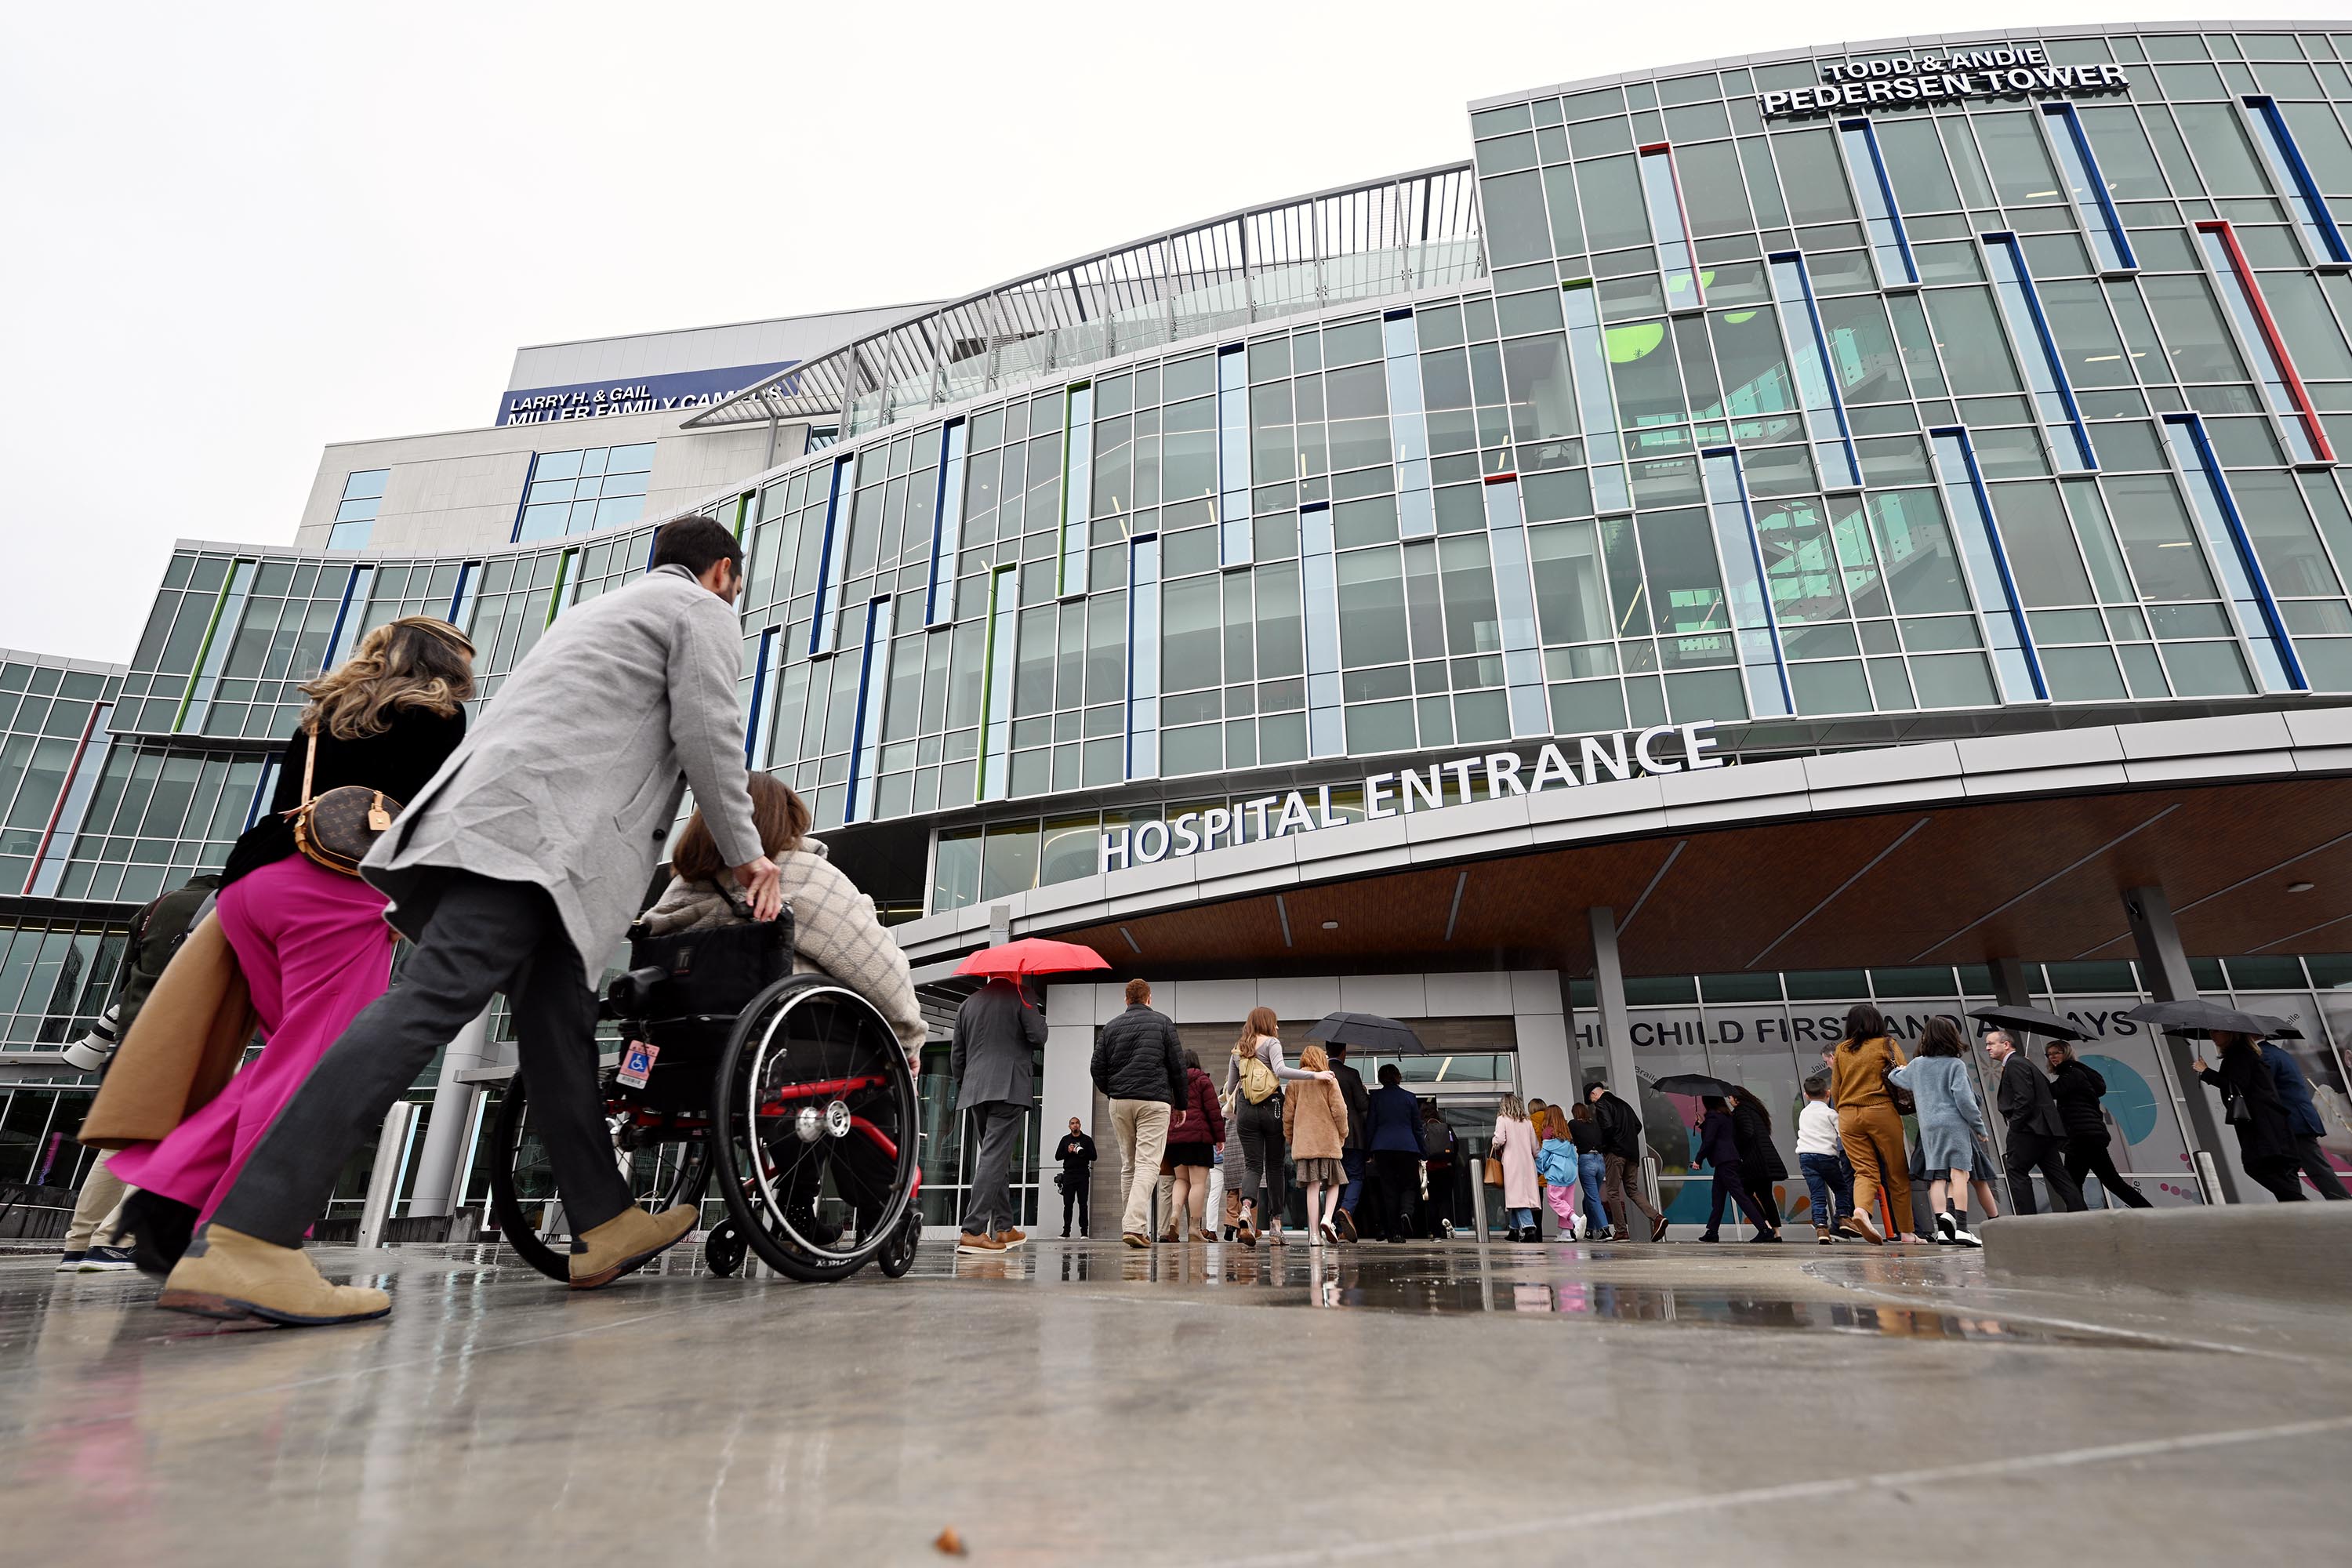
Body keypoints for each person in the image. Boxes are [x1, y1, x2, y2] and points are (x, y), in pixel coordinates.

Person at [160, 517, 778, 1327]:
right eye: (734, 578)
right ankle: (252, 1231)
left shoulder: (595, 612)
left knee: (559, 1024)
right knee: (428, 1000)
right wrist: (747, 852)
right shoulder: (700, 611)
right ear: (723, 570)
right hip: (537, 838)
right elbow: (708, 732)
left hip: (499, 828)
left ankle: (605, 1219)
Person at [117, 617, 474, 1294]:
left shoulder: (325, 714)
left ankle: (180, 1196)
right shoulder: (437, 716)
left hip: (255, 883)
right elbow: (431, 820)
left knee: (296, 1059)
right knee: (326, 1067)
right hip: (333, 892)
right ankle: (233, 1225)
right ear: (445, 663)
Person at [56, 872, 223, 1273]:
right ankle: (116, 1243)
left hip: (136, 1034)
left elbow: (128, 979)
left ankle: (78, 1245)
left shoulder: (151, 909)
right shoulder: (230, 905)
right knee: (174, 1141)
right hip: (192, 1035)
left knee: (120, 1144)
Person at [951, 975, 1047, 1254]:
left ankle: (1004, 1228)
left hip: (975, 1090)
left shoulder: (967, 1004)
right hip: (1008, 1087)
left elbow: (958, 1056)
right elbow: (1039, 1037)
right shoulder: (1023, 994)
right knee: (993, 1158)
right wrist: (1036, 1014)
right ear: (1016, 972)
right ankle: (973, 1230)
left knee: (996, 1158)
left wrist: (966, 1086)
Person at [1223, 1007, 1334, 1245]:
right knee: (1274, 1167)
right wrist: (1316, 1076)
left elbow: (1231, 1087)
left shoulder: (1238, 1049)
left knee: (1253, 1165)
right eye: (1276, 1022)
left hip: (1246, 1111)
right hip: (1271, 1108)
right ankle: (1276, 1226)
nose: (1278, 1027)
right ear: (1267, 1023)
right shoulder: (1272, 1043)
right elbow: (1281, 1070)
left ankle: (1245, 1209)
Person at [1091, 978, 1186, 1247]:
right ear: (1149, 998)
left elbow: (1096, 1067)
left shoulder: (1110, 1028)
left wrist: (1112, 1091)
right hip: (1154, 1101)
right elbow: (1178, 1067)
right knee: (1147, 1164)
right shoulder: (1163, 1023)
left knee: (1129, 1166)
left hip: (1120, 1101)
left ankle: (1135, 1226)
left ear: (1126, 1000)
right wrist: (1181, 1103)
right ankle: (1134, 1225)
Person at [1889, 1017, 1991, 1247]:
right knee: (1960, 1174)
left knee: (1937, 1177)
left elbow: (1895, 1078)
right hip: (1953, 1124)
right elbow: (1965, 1101)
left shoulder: (1918, 1065)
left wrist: (1899, 1070)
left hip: (1928, 1127)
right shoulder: (1955, 1065)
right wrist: (1979, 1127)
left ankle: (1943, 1230)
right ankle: (1962, 1229)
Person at [1829, 1004, 1915, 1244]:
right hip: (1880, 1110)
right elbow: (1904, 1075)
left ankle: (1861, 1211)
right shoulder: (1886, 1044)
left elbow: (1836, 1088)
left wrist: (1845, 1109)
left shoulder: (1842, 1049)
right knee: (1896, 1171)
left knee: (1864, 1171)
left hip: (1847, 1115)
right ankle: (1907, 1232)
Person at [1984, 1028, 2088, 1215]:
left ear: (2006, 1045)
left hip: (2029, 1129)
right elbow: (2044, 1090)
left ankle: (2027, 1221)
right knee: (2059, 1176)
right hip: (2043, 1130)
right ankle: (2083, 1215)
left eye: (1991, 1044)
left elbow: (2025, 1099)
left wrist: (2015, 1126)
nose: (1987, 1048)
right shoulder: (2021, 1064)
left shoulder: (2016, 1064)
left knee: (2016, 1171)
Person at [2193, 1033, 2304, 1202]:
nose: (2212, 1035)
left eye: (2216, 1031)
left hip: (2262, 1127)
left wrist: (2206, 1072)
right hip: (2269, 1126)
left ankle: (2304, 1207)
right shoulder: (2243, 1054)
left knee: (2258, 1166)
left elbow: (2237, 1085)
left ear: (2231, 1035)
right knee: (2281, 1174)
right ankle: (2303, 1217)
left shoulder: (2240, 1055)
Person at [2044, 1040, 2152, 1210]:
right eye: (2049, 1054)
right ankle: (2082, 1221)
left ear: (2066, 1053)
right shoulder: (2077, 1073)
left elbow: (2050, 1092)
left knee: (2077, 1184)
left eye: (2056, 1053)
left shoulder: (2072, 1074)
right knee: (2081, 1184)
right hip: (2087, 1137)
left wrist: (2032, 1073)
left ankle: (2082, 1222)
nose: (2052, 1057)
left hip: (2082, 1137)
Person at [2256, 1038, 2350, 1200]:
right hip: (2290, 1126)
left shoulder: (2269, 1056)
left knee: (2307, 1168)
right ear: (2349, 1059)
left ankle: (2313, 1206)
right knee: (2284, 1168)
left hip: (2292, 1125)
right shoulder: (2327, 1097)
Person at [1284, 1043, 1351, 1243]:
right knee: (1334, 1182)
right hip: (1328, 1141)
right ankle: (1327, 1218)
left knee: (1312, 1187)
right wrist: (1343, 1133)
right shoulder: (1329, 1080)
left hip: (1305, 1144)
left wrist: (1291, 1138)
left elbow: (1288, 1115)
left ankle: (1313, 1234)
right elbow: (1340, 1111)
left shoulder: (1294, 1082)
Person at [1586, 1080, 1668, 1241]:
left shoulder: (1602, 1104)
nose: (1593, 1103)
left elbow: (1607, 1127)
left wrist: (1602, 1145)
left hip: (1615, 1153)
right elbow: (1637, 1126)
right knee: (1632, 1189)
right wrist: (1626, 1138)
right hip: (1632, 1153)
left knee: (1612, 1191)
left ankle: (1621, 1231)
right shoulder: (1623, 1104)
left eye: (1591, 1100)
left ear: (1594, 1094)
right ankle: (1657, 1217)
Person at [1161, 1048, 1226, 1242]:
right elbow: (1214, 1112)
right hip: (1198, 1139)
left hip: (1176, 1140)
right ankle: (1194, 1228)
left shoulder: (1172, 1083)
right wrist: (1220, 1138)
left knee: (1181, 1181)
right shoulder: (1203, 1081)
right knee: (1198, 1183)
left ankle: (1174, 1215)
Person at [1694, 1095, 1780, 1243]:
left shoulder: (1713, 1116)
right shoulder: (1726, 1116)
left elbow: (1710, 1140)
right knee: (1718, 1197)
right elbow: (1721, 1135)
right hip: (1728, 1160)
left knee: (1740, 1196)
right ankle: (1712, 1231)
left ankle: (1764, 1229)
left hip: (1724, 1162)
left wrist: (1698, 1159)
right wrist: (1703, 1125)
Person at [1364, 1062, 1425, 1243]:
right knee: (1408, 1185)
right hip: (1408, 1147)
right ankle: (1406, 1212)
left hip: (1383, 1148)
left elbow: (1371, 1125)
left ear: (1381, 1078)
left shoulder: (1376, 1098)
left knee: (1389, 1189)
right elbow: (1418, 1127)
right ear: (1398, 1076)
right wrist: (1423, 1151)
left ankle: (1395, 1232)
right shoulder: (1410, 1097)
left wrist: (1368, 1150)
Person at [1795, 1074, 1856, 1243]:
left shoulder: (1803, 1113)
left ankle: (1821, 1228)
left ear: (1806, 1095)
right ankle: (1843, 1217)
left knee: (1817, 1194)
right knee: (1841, 1188)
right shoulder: (1831, 1113)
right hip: (1826, 1157)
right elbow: (1843, 1134)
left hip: (1806, 1156)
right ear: (1828, 1093)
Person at [1726, 1085, 1788, 1236]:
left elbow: (1747, 1132)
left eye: (1730, 1098)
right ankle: (1776, 1232)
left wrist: (1735, 1144)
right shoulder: (1756, 1110)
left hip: (1754, 1161)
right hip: (1766, 1160)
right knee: (1766, 1196)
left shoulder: (1741, 1112)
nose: (1729, 1101)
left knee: (1743, 1192)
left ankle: (1765, 1225)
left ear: (1736, 1097)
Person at [1327, 1042, 1373, 1241]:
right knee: (1355, 1176)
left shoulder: (1320, 1073)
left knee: (1335, 1181)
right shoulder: (1351, 1073)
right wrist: (1363, 1091)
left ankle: (1335, 1226)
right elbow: (1363, 1105)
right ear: (1344, 1052)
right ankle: (1346, 1210)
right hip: (1352, 1135)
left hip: (1328, 1136)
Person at [1488, 1093, 1543, 1242]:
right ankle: (1514, 1230)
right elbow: (1535, 1147)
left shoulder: (1502, 1119)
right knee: (1519, 1196)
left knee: (1517, 1197)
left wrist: (1494, 1141)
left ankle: (1529, 1227)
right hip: (1528, 1162)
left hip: (1512, 1162)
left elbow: (1499, 1140)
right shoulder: (1527, 1122)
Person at [1535, 1111, 1586, 1240]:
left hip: (1557, 1172)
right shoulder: (1567, 1135)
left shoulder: (1548, 1133)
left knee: (1554, 1199)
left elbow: (1543, 1157)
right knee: (1567, 1202)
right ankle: (1566, 1233)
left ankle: (1576, 1220)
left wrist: (1537, 1169)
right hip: (1570, 1172)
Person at [1568, 1101, 1610, 1240]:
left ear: (1575, 1113)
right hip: (1600, 1160)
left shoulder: (1573, 1124)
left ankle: (1605, 1229)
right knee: (1589, 1197)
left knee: (1593, 1197)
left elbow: (1570, 1140)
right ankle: (1590, 1230)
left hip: (1586, 1160)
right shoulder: (1596, 1124)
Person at [1419, 1100, 1459, 1237]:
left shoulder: (1422, 1128)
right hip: (1446, 1168)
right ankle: (1445, 1220)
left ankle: (1435, 1232)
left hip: (1429, 1170)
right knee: (1445, 1198)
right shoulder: (1445, 1127)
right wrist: (1451, 1162)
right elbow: (1455, 1145)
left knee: (1432, 1201)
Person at [1054, 1117, 1097, 1237]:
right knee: (1068, 1204)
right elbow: (1057, 1157)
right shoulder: (1065, 1140)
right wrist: (1068, 1151)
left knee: (1083, 1204)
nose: (1075, 1125)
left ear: (1080, 1125)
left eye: (1077, 1123)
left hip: (1082, 1175)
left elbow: (1094, 1157)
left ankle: (1084, 1232)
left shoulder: (1087, 1140)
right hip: (1069, 1175)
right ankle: (1066, 1232)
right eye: (1072, 1124)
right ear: (1069, 1126)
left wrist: (1082, 1152)